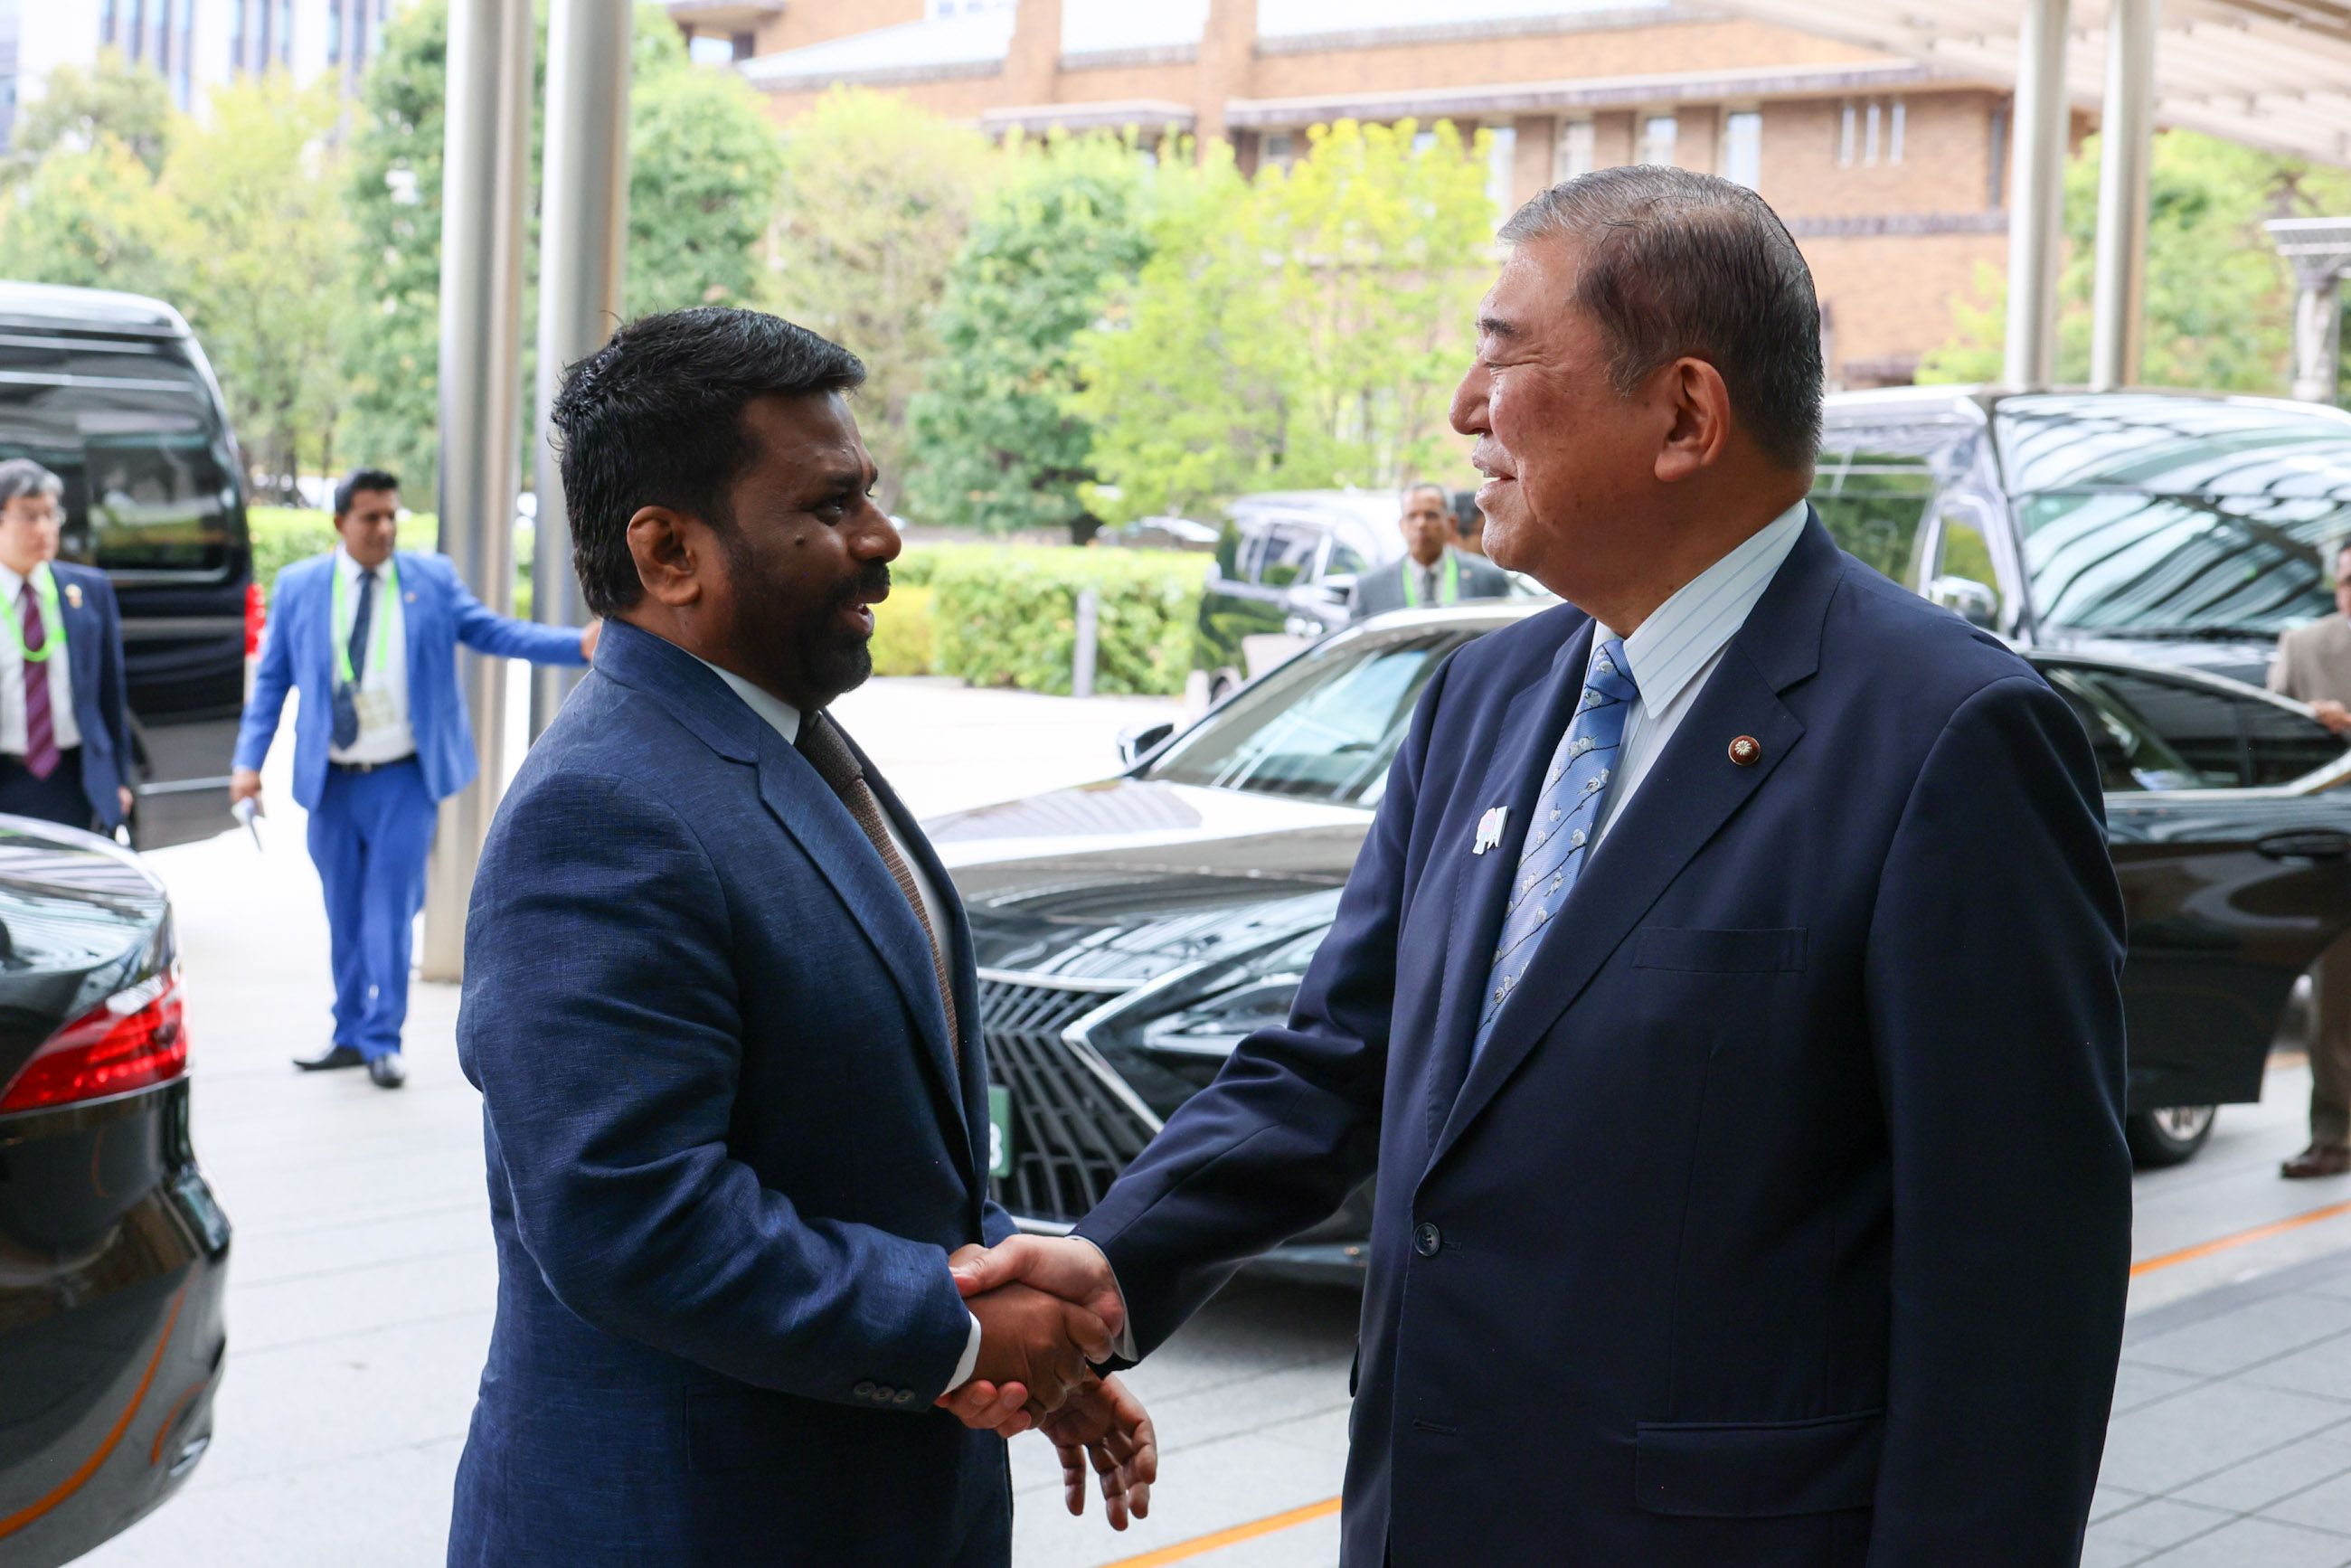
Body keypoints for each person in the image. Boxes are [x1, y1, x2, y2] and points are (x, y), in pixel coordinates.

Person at [955, 167, 2133, 1564]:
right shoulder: (1482, 697)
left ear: (1686, 414)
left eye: (1504, 353)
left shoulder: (1949, 735)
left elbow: (2015, 1291)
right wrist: (1116, 1257)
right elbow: (1344, 1051)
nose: (1462, 408)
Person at [445, 308, 1154, 1568]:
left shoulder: (792, 744)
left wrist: (1017, 1322)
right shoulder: (599, 810)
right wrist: (962, 1336)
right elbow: (632, 1215)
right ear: (669, 551)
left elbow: (875, 1142)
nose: (880, 542)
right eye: (828, 509)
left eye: (868, 494)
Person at [232, 468, 596, 1090]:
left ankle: (383, 1038)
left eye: (392, 516)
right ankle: (347, 1032)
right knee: (343, 913)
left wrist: (578, 645)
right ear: (340, 523)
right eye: (370, 517)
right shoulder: (300, 586)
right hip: (333, 783)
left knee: (389, 912)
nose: (384, 528)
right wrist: (247, 765)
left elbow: (494, 631)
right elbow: (272, 682)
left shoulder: (428, 579)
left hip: (402, 780)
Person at [2268, 549, 2351, 1179]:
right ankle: (2334, 1134)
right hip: (2333, 849)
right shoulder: (2302, 646)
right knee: (2333, 1004)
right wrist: (2306, 726)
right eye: (2348, 580)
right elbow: (2265, 740)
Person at [0, 458, 133, 835]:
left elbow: (110, 692)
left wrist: (119, 779)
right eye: (29, 516)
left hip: (72, 776)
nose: (44, 528)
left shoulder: (86, 591)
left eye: (50, 515)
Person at [1351, 481, 1510, 619]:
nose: (1421, 524)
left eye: (1431, 515)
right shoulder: (1370, 588)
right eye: (1412, 516)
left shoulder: (1488, 578)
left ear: (1452, 523)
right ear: (1401, 525)